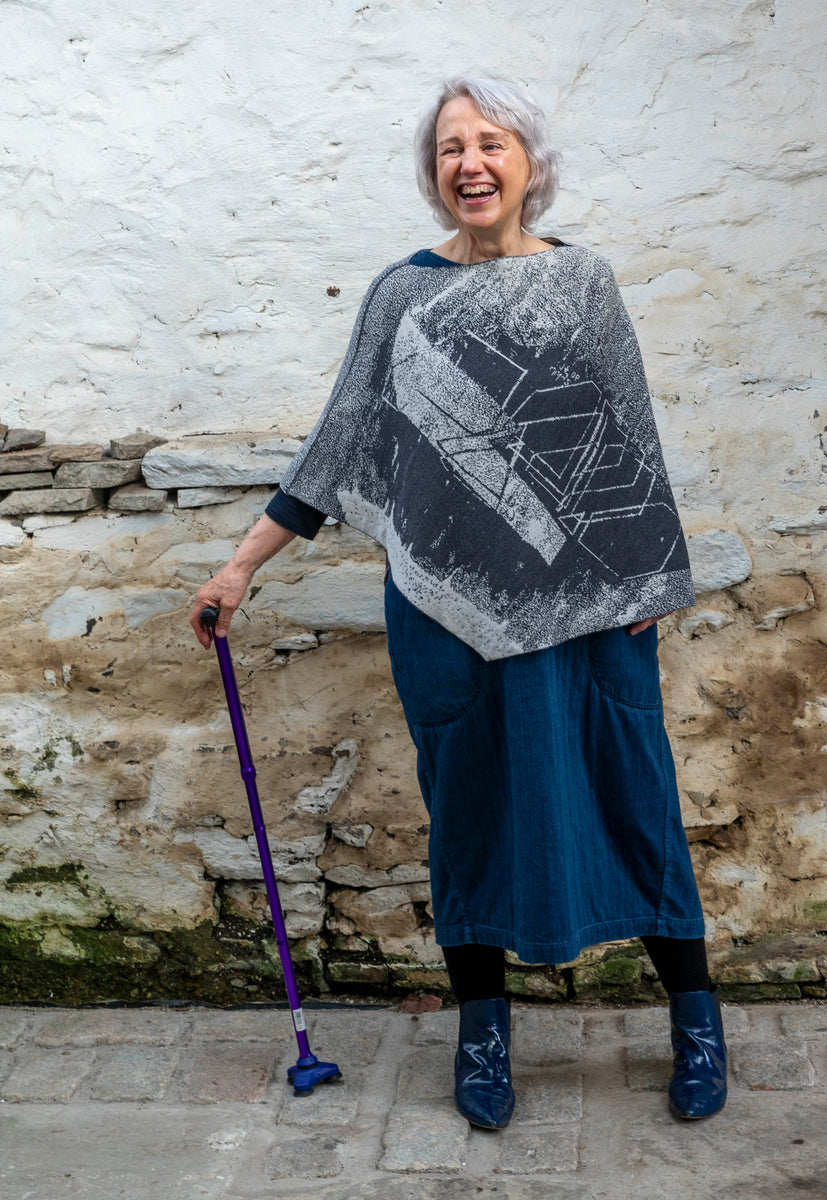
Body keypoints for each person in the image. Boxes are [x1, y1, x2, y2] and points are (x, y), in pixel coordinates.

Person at [189, 74, 727, 1129]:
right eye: (450, 148)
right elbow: (340, 440)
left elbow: (628, 434)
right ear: (434, 174)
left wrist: (651, 574)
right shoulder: (402, 293)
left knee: (635, 799)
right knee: (469, 813)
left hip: (591, 608)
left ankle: (698, 1022)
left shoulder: (585, 284)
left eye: (491, 143)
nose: (470, 163)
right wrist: (241, 565)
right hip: (446, 612)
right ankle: (484, 1033)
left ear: (531, 162)